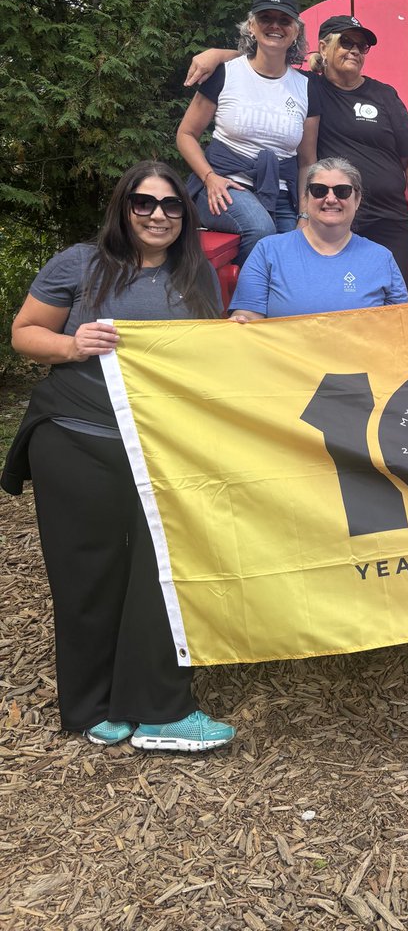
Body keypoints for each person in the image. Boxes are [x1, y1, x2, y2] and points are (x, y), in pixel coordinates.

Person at [1, 162, 235, 752]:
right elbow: (24, 332)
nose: (159, 215)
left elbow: (206, 353)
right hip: (75, 437)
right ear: (123, 208)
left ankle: (158, 708)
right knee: (85, 571)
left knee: (161, 572)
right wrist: (71, 343)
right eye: (144, 203)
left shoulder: (196, 273)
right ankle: (92, 707)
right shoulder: (80, 263)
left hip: (159, 444)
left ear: (186, 216)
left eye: (172, 206)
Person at [185, 12, 408, 295]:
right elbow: (265, 58)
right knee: (334, 298)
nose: (354, 50)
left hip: (389, 218)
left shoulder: (384, 95)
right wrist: (217, 55)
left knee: (395, 298)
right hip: (335, 216)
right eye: (346, 42)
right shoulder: (305, 87)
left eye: (361, 46)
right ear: (323, 48)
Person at [176, 0, 317, 265]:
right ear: (252, 25)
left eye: (284, 20)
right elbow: (186, 134)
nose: (275, 26)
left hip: (281, 192)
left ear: (296, 31)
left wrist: (304, 214)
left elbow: (306, 162)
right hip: (223, 185)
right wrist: (209, 177)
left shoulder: (307, 88)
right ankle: (245, 306)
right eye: (266, 18)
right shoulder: (226, 73)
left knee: (299, 252)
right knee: (261, 230)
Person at [229, 158, 408, 320]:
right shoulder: (268, 251)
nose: (330, 199)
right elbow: (248, 319)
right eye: (319, 190)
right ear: (306, 198)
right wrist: (240, 321)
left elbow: (399, 327)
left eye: (342, 191)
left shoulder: (381, 258)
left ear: (358, 199)